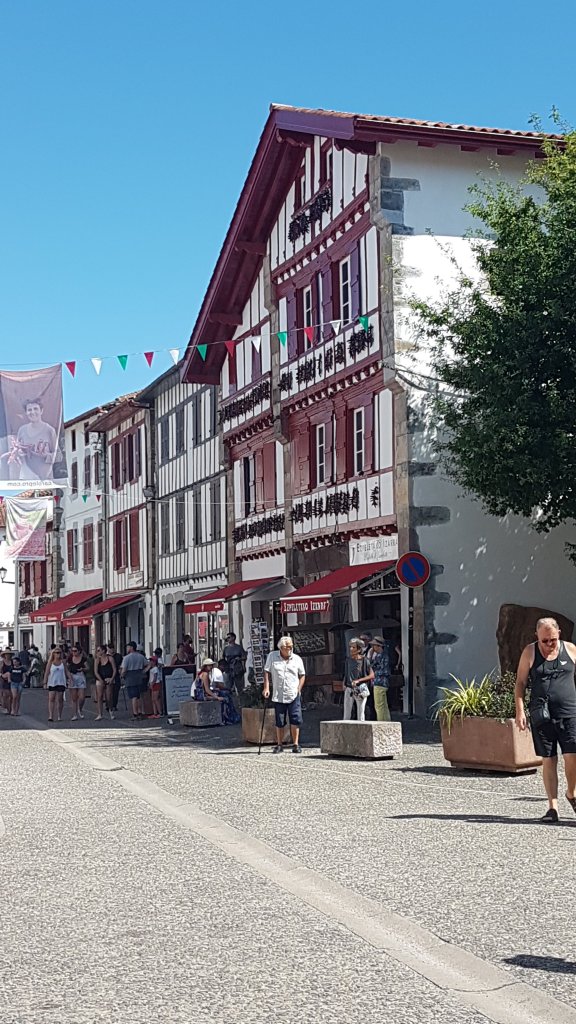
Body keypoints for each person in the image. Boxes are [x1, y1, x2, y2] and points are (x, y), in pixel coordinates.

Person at [515, 617, 576, 823]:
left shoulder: (570, 650)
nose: (549, 644)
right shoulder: (530, 652)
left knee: (572, 756)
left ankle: (571, 792)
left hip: (569, 712)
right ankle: (552, 807)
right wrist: (520, 711)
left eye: (552, 639)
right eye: (544, 641)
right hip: (542, 714)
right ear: (537, 637)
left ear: (559, 633)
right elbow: (520, 683)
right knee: (549, 759)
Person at [263, 636, 306, 754]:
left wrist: (299, 689)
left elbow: (302, 675)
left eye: (291, 647)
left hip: (293, 693)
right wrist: (266, 687)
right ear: (281, 648)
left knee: (295, 719)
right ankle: (279, 744)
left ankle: (296, 744)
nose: (290, 649)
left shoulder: (297, 659)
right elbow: (266, 671)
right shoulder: (272, 656)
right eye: (288, 647)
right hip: (279, 694)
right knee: (280, 721)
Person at [342, 638, 374, 722]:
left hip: (360, 688)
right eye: (350, 647)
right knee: (346, 714)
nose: (351, 649)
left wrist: (358, 681)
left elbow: (371, 675)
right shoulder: (348, 660)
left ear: (359, 649)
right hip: (349, 688)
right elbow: (346, 673)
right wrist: (344, 683)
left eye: (353, 647)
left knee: (360, 713)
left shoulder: (364, 660)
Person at [121, 641, 149, 719]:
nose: (127, 648)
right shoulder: (141, 656)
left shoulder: (126, 658)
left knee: (133, 696)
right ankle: (140, 711)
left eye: (128, 647)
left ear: (131, 648)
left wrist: (122, 676)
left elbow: (124, 669)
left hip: (130, 677)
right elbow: (148, 664)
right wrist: (144, 671)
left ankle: (135, 713)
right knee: (138, 696)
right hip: (139, 676)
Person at [43, 648, 71, 722]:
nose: (58, 654)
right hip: (52, 682)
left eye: (60, 652)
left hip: (61, 682)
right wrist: (45, 683)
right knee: (51, 698)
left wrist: (70, 678)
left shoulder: (63, 662)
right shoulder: (50, 663)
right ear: (53, 654)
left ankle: (59, 715)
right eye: (57, 653)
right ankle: (51, 715)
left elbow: (66, 671)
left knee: (60, 699)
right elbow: (46, 673)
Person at [94, 645, 117, 720]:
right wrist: (100, 680)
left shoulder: (110, 658)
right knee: (99, 696)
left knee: (108, 697)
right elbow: (96, 671)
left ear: (103, 651)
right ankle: (100, 714)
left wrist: (112, 679)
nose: (97, 652)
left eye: (99, 650)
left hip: (108, 678)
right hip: (100, 679)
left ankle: (110, 710)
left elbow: (114, 669)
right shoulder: (97, 660)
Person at [371, 637, 391, 721]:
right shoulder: (380, 656)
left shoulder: (382, 656)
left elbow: (384, 671)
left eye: (374, 645)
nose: (373, 647)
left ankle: (381, 722)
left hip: (379, 682)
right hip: (382, 683)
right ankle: (387, 721)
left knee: (379, 706)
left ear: (379, 646)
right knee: (383, 706)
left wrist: (374, 674)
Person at [67, 645, 88, 720]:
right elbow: (67, 667)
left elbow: (87, 667)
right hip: (72, 676)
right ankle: (74, 714)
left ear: (79, 651)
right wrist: (68, 676)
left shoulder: (83, 659)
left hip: (80, 676)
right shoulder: (70, 658)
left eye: (75, 651)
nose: (73, 652)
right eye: (72, 651)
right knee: (74, 697)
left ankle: (80, 708)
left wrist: (83, 669)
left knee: (82, 697)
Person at [107, 643, 123, 711]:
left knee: (116, 691)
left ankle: (114, 705)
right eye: (109, 649)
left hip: (116, 675)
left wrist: (121, 672)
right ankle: (108, 705)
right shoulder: (106, 656)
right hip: (108, 675)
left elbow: (121, 665)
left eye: (111, 649)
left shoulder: (118, 656)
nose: (110, 650)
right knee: (108, 691)